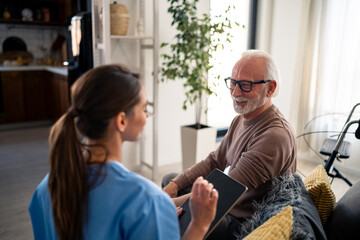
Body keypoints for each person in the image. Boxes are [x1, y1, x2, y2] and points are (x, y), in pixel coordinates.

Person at [28, 64, 218, 240]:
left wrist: (163, 210)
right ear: (121, 121)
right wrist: (199, 225)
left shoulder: (46, 188)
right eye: (144, 108)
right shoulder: (147, 201)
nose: (147, 116)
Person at [163, 49, 297, 239]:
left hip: (242, 221)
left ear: (270, 88)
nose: (235, 92)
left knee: (173, 214)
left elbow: (226, 191)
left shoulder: (274, 136)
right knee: (170, 179)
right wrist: (173, 187)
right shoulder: (241, 119)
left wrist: (169, 204)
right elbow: (214, 161)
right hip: (229, 202)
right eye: (233, 83)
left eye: (245, 85)